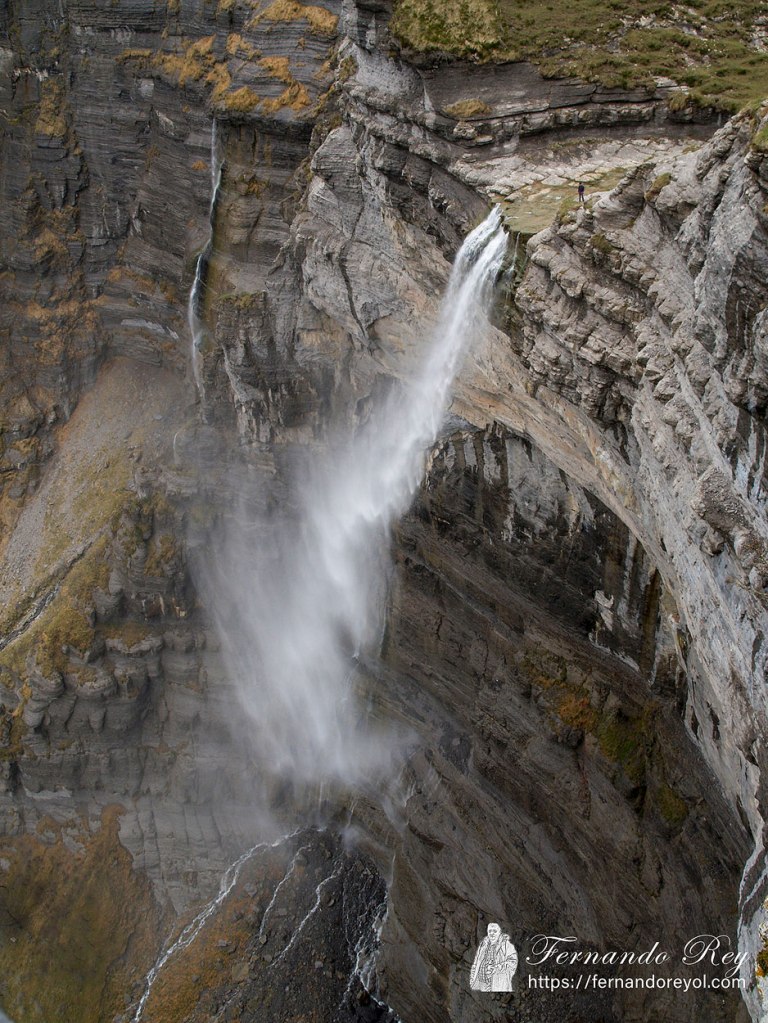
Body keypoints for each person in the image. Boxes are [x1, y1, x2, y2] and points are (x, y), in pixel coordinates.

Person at [470, 922, 518, 991]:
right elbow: (476, 962)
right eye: (490, 931)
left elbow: (513, 962)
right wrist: (472, 979)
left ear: (499, 932)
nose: (492, 933)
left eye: (495, 931)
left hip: (498, 985)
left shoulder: (506, 945)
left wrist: (496, 968)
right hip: (482, 985)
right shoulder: (483, 945)